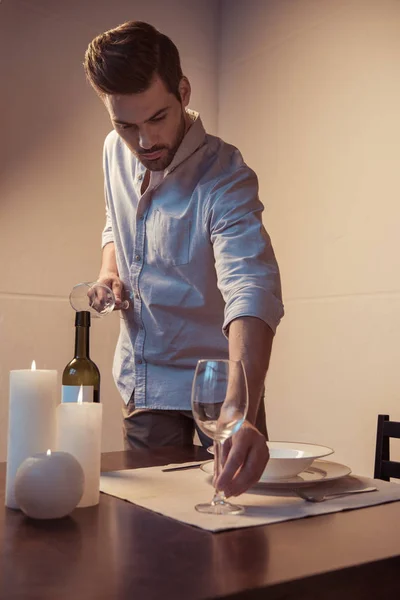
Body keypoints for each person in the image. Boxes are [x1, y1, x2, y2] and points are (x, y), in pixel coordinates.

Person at [84, 20, 284, 498]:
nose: (145, 141)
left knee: (238, 521)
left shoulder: (225, 176)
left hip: (222, 384)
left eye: (157, 118)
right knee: (150, 534)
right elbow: (116, 220)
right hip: (144, 380)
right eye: (126, 124)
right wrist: (110, 271)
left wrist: (240, 410)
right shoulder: (114, 151)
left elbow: (250, 285)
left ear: (183, 91)